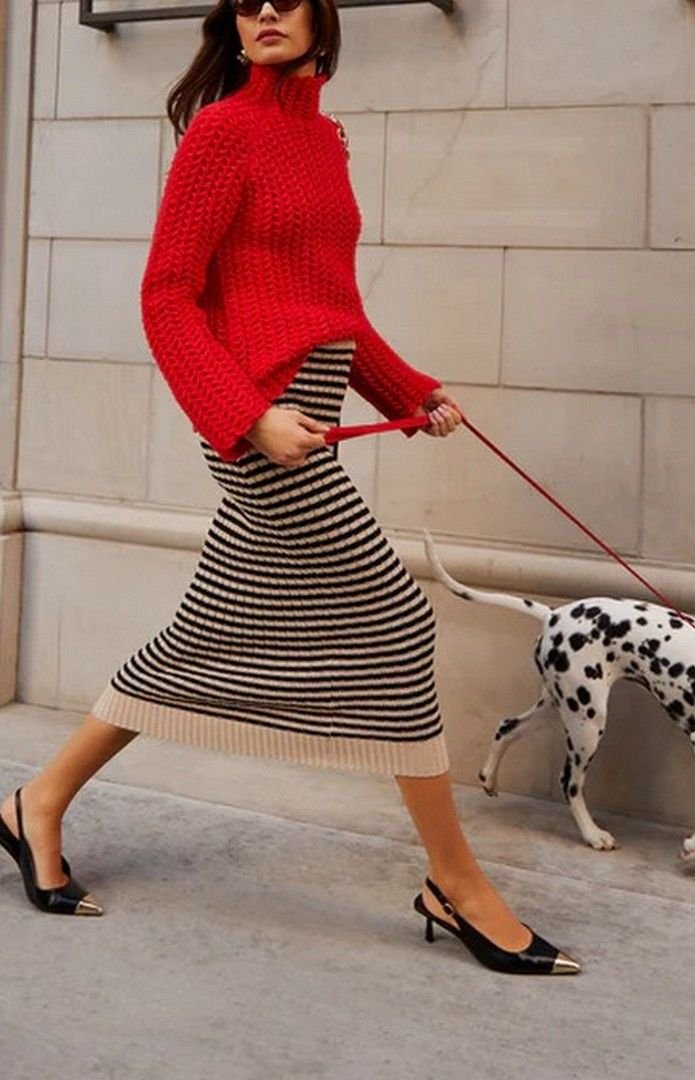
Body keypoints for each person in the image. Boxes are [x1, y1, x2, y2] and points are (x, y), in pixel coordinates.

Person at [0, 0, 579, 976]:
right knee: (396, 618)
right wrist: (247, 417)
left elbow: (333, 309)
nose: (264, 9)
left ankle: (36, 801)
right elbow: (166, 297)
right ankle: (455, 883)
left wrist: (413, 391)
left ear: (322, 15)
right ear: (232, 20)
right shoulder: (224, 131)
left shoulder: (322, 141)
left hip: (303, 427)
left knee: (207, 634)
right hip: (258, 433)